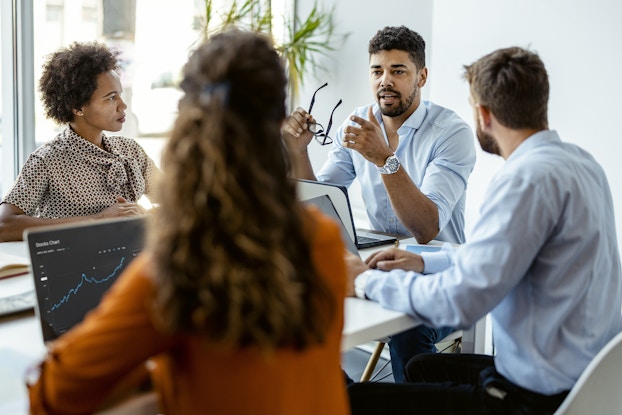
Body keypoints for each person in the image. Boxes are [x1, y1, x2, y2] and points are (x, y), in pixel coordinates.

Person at [27, 30, 350, 415]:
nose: (121, 104)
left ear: (187, 122)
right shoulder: (324, 239)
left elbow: (52, 393)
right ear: (279, 119)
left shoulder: (176, 268)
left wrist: (151, 376)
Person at [345, 46, 622, 414]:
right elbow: (496, 259)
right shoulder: (582, 163)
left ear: (484, 114)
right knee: (421, 367)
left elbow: (459, 303)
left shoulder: (525, 181)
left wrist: (364, 282)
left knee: (352, 398)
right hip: (584, 379)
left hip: (531, 399)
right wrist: (423, 263)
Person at [282, 25, 476, 382]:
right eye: (377, 71)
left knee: (407, 330)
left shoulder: (452, 133)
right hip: (378, 263)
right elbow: (320, 202)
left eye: (398, 71)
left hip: (441, 272)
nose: (385, 81)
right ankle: (341, 392)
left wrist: (384, 159)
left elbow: (426, 227)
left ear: (422, 76)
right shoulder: (357, 124)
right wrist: (299, 152)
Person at [0, 41, 158, 242]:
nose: (123, 105)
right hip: (74, 267)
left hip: (128, 260)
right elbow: (4, 225)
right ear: (77, 107)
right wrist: (97, 219)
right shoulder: (48, 160)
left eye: (120, 95)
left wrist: (146, 216)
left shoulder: (131, 151)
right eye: (111, 98)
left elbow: (178, 202)